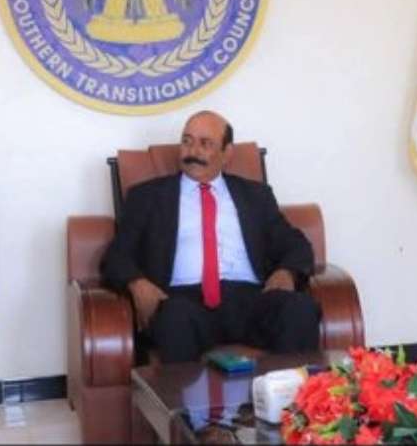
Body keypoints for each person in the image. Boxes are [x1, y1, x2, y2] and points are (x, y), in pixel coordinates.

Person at [100, 110, 321, 363]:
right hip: (184, 301)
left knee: (299, 309)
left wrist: (287, 272)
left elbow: (296, 245)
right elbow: (116, 256)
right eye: (187, 141)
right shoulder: (147, 197)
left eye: (205, 144)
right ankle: (184, 392)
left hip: (251, 300)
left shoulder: (255, 196)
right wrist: (137, 283)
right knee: (175, 317)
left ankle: (289, 390)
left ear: (227, 153)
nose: (193, 152)